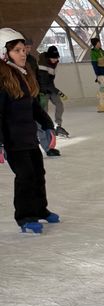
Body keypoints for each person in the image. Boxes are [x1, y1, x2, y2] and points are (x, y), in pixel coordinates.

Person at [0, 29, 59, 234]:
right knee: (25, 177)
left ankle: (40, 209)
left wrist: (49, 125)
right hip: (13, 140)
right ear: (4, 53)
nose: (23, 54)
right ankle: (25, 217)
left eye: (23, 50)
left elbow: (34, 107)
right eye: (17, 51)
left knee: (38, 174)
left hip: (29, 138)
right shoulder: (3, 80)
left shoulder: (23, 75)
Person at [37, 45, 69, 137]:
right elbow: (45, 82)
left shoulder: (54, 64)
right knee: (44, 111)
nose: (55, 60)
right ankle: (42, 129)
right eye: (53, 58)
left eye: (56, 58)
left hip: (51, 88)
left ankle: (58, 125)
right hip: (42, 90)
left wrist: (56, 91)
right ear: (48, 57)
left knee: (59, 105)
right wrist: (59, 92)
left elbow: (50, 81)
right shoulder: (42, 64)